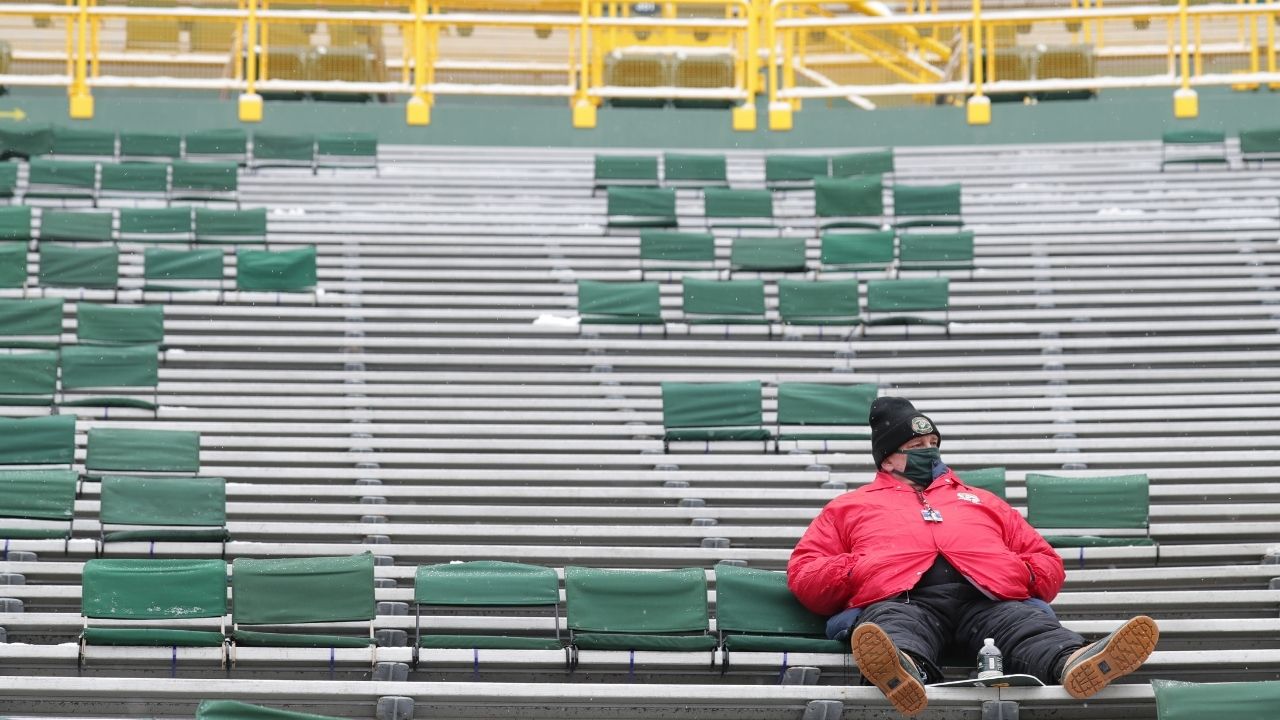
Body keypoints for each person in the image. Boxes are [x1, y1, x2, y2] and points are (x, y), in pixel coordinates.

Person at [787, 396, 1159, 717]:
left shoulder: (982, 499)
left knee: (1025, 624)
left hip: (986, 597)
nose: (930, 451)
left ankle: (1073, 660)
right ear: (887, 460)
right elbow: (805, 572)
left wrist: (1016, 572)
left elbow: (1044, 559)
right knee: (893, 627)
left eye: (933, 442)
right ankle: (902, 668)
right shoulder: (849, 506)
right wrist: (864, 568)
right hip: (905, 598)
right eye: (916, 447)